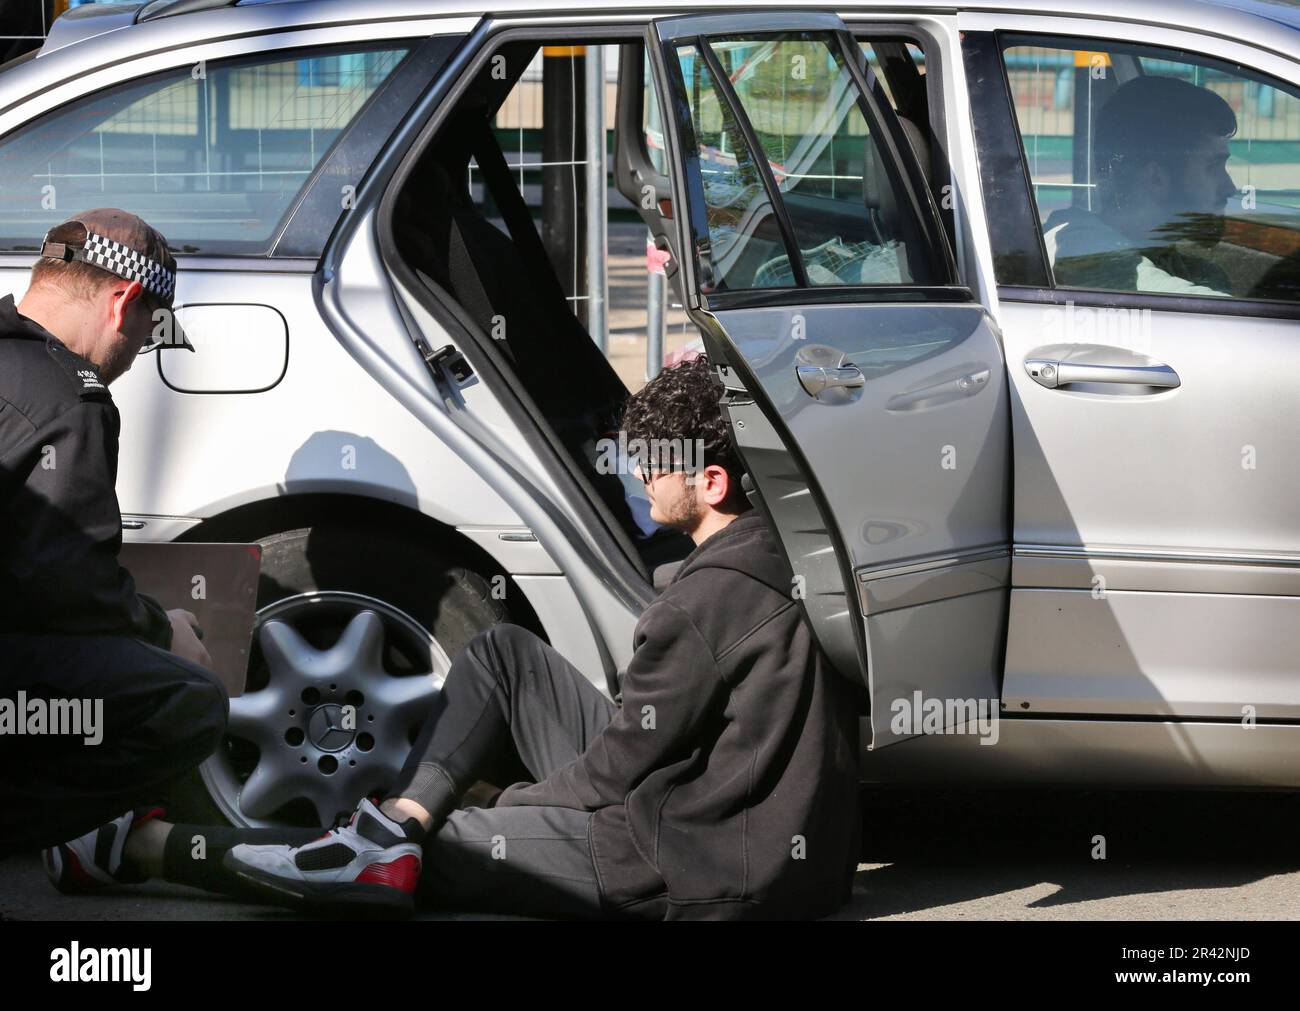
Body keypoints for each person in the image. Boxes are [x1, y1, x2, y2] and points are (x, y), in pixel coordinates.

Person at [55, 356, 865, 920]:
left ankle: (146, 850)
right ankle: (404, 814)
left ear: (711, 482)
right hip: (753, 839)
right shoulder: (785, 550)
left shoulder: (704, 601)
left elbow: (614, 773)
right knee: (503, 657)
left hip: (695, 865)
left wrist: (495, 803)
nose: (638, 477)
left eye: (655, 465)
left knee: (403, 862)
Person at [0, 209, 227, 868]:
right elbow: (70, 593)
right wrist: (164, 631)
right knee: (188, 699)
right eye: (148, 338)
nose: (133, 358)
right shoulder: (72, 397)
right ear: (126, 302)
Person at [1042, 75, 1240, 295]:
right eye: (1212, 167)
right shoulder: (1082, 252)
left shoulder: (1199, 272)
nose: (1230, 187)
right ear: (1156, 178)